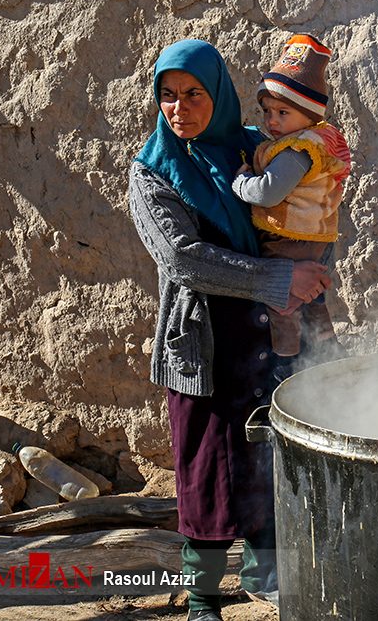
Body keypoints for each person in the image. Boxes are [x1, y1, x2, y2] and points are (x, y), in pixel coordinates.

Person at [129, 39, 332, 621]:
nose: (179, 108)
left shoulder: (253, 148)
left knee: (270, 458)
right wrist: (278, 277)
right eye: (168, 95)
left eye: (194, 94)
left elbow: (307, 205)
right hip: (203, 344)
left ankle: (271, 580)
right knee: (207, 470)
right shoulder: (153, 174)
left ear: (218, 96)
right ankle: (203, 598)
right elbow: (183, 261)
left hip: (273, 333)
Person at [232, 34, 350, 364]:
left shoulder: (297, 150)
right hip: (315, 239)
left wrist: (241, 183)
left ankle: (286, 363)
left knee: (283, 303)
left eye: (283, 112)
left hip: (290, 239)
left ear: (309, 114)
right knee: (312, 298)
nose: (271, 121)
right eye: (267, 111)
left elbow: (269, 193)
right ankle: (327, 347)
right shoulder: (321, 141)